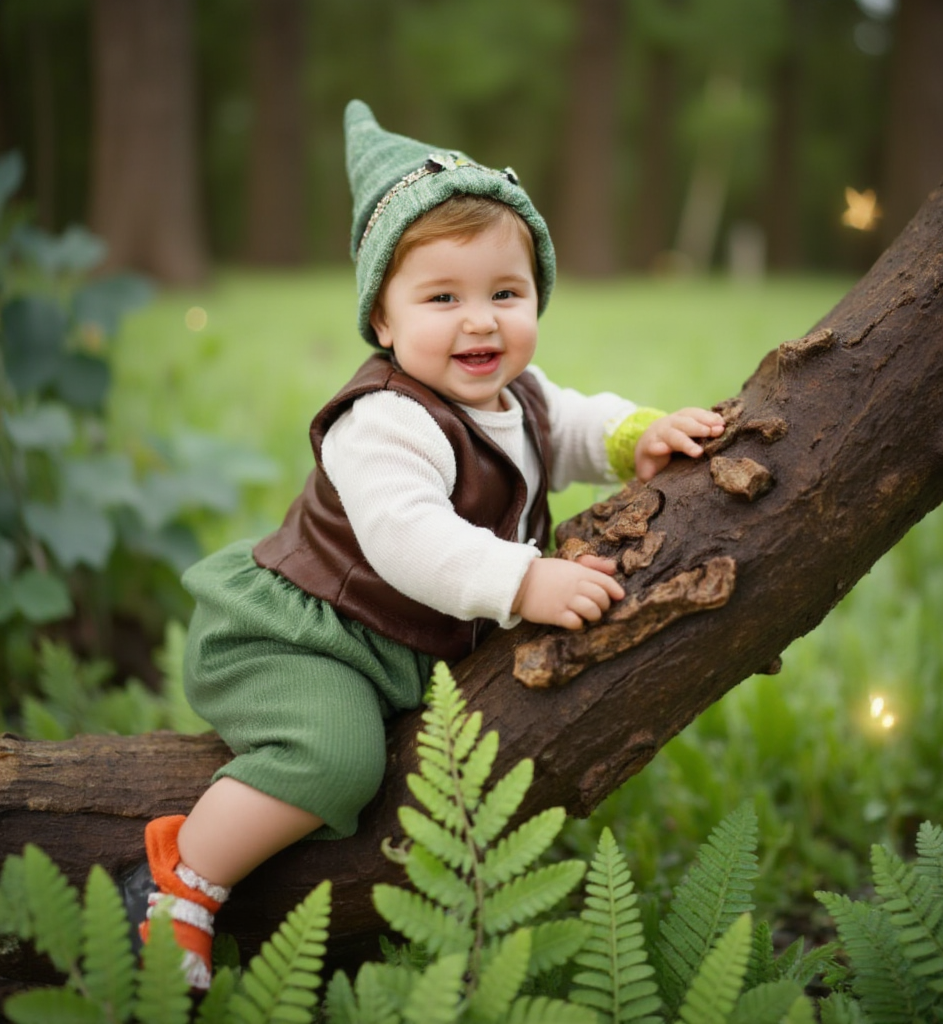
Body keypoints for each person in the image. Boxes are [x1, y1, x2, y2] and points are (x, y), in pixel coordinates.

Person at [127, 100, 725, 988]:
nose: (480, 322)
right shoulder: (382, 421)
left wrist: (638, 435)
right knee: (334, 759)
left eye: (505, 295)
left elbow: (571, 426)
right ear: (383, 321)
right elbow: (411, 540)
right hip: (305, 637)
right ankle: (180, 880)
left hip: (397, 645)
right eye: (442, 298)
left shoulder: (516, 394)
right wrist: (524, 580)